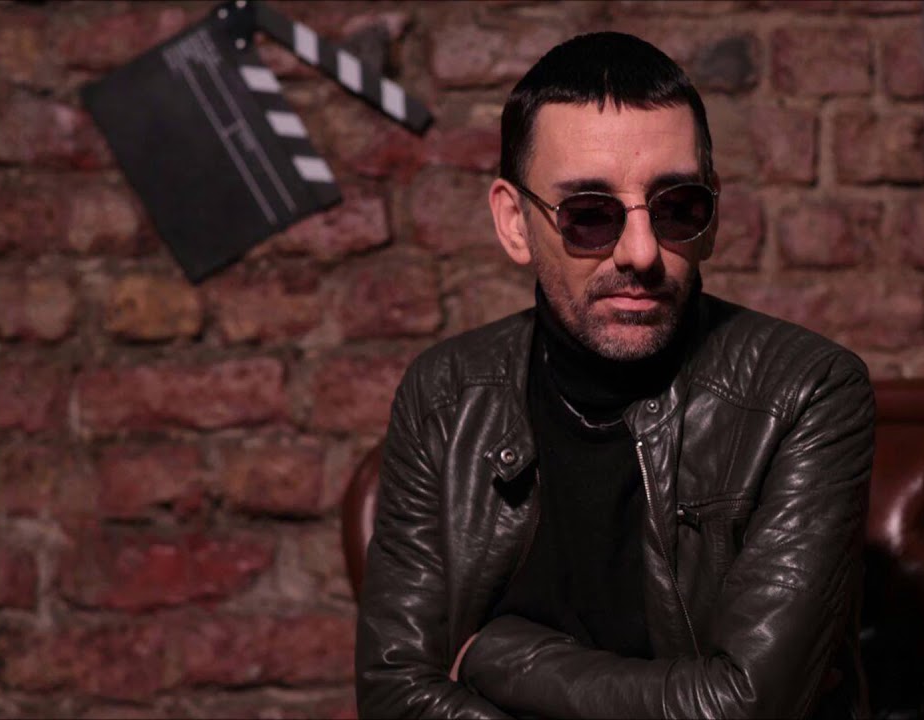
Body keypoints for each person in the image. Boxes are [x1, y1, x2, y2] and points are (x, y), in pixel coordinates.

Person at [356, 31, 875, 719]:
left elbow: (745, 706)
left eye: (677, 207)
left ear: (713, 215)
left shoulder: (807, 391)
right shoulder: (445, 395)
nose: (641, 252)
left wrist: (497, 656)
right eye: (590, 215)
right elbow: (393, 692)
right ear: (515, 223)